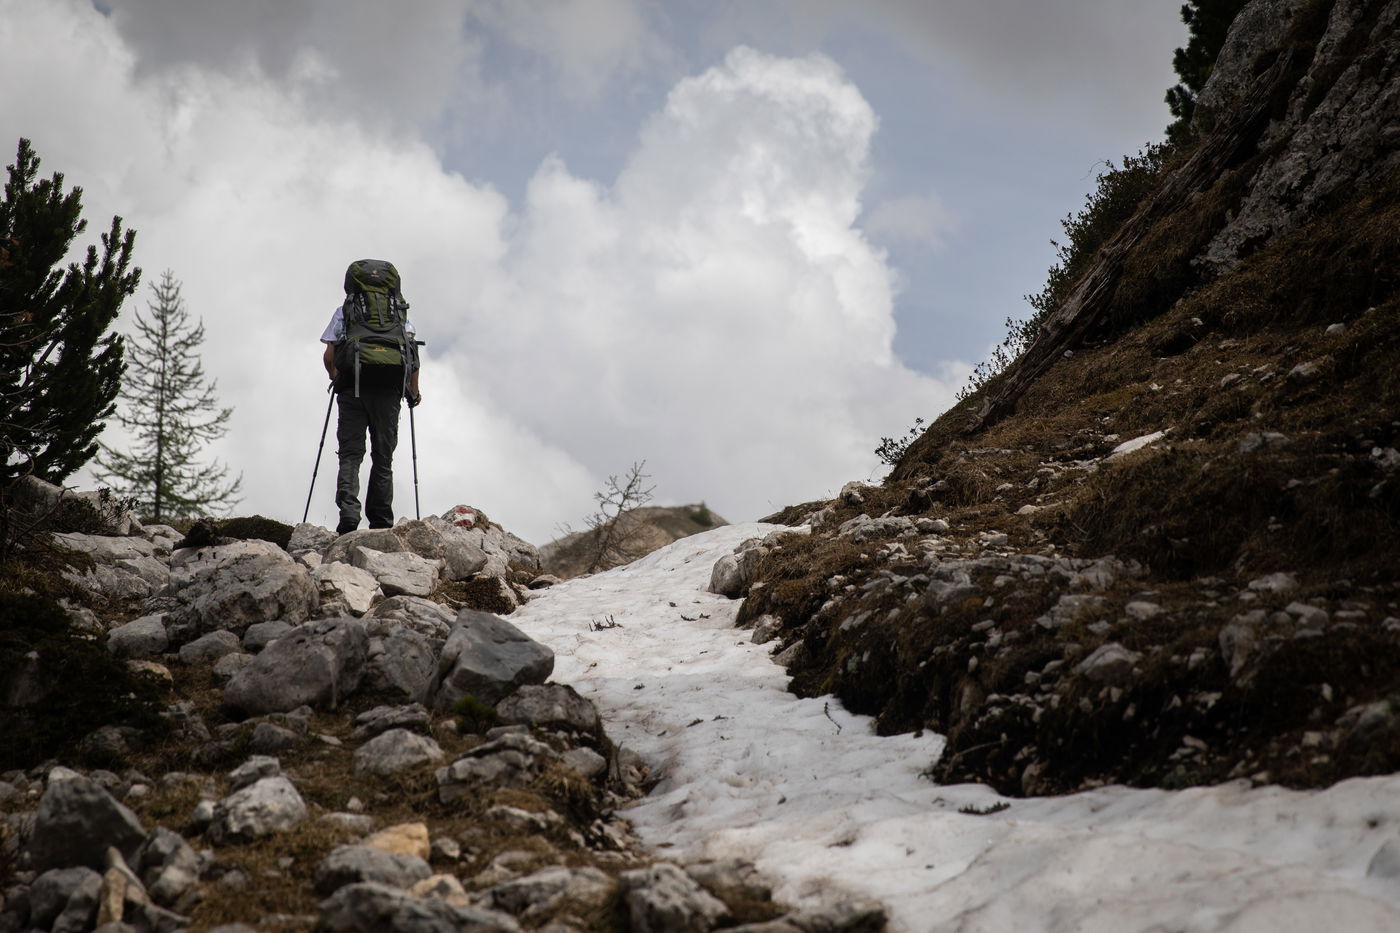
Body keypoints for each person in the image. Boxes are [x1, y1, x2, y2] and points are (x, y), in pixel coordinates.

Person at [320, 273, 421, 534]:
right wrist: (414, 391)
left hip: (353, 389)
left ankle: (349, 516)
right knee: (383, 457)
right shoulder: (399, 313)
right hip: (388, 393)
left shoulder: (344, 311)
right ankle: (381, 520)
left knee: (350, 456)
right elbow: (411, 355)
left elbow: (329, 355)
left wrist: (336, 378)